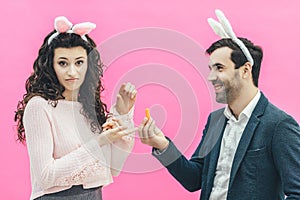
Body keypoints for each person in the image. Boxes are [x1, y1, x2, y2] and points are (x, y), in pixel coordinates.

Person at [138, 17, 300, 200]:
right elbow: (194, 179)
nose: (211, 77)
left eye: (219, 68)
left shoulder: (279, 125)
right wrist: (162, 145)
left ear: (245, 70)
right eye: (211, 69)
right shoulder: (215, 120)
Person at [14, 16, 137, 200]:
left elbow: (113, 168)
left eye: (79, 62)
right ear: (50, 66)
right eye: (63, 63)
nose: (72, 72)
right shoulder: (39, 107)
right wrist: (99, 142)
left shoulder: (87, 108)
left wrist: (123, 114)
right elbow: (46, 177)